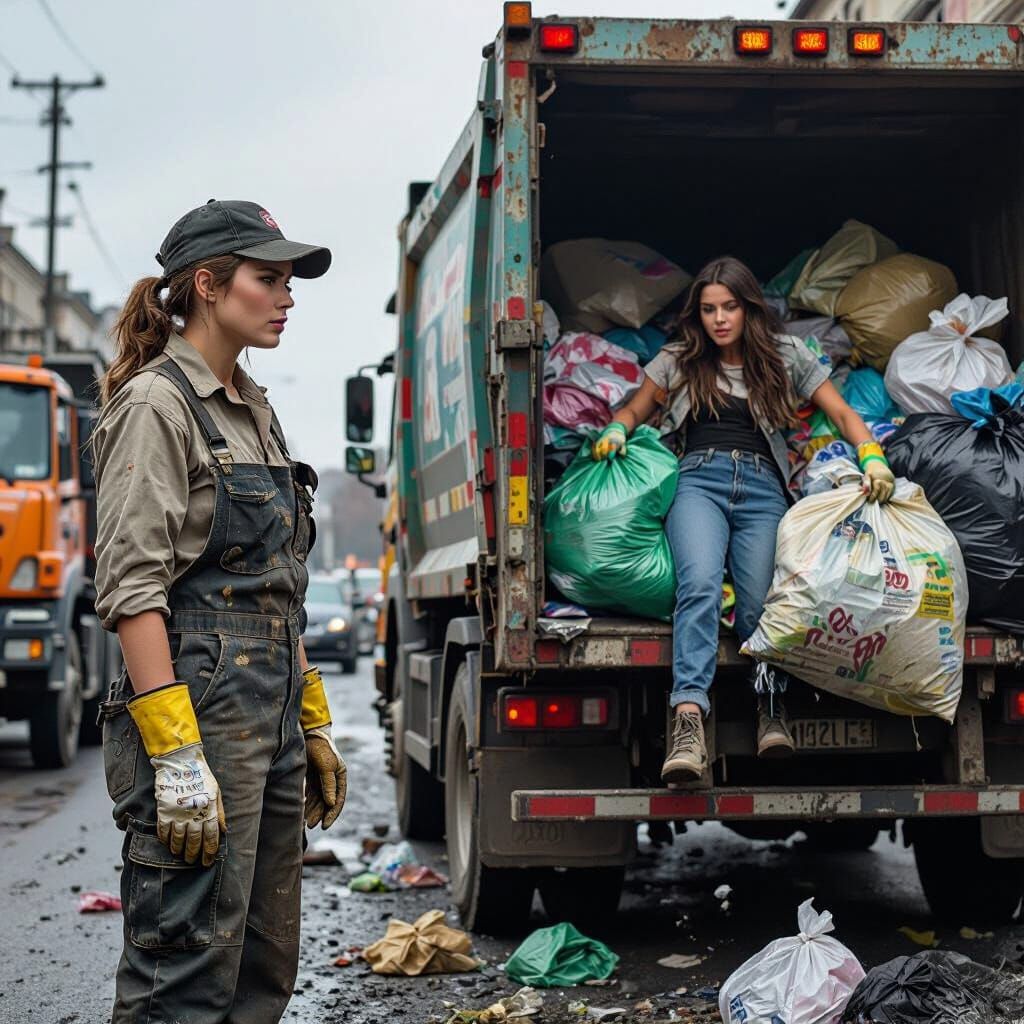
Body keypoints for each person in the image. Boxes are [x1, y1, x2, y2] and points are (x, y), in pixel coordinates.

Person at [93, 200, 346, 1023]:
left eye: (288, 281)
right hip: (198, 708)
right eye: (266, 278)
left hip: (266, 708)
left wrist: (309, 718)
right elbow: (134, 589)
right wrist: (174, 754)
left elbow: (279, 583)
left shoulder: (252, 406)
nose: (286, 297)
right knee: (187, 970)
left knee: (263, 967)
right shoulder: (156, 407)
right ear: (206, 284)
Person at [592, 255, 895, 786]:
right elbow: (635, 409)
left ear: (748, 307)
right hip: (697, 483)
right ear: (699, 315)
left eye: (729, 306)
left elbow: (842, 413)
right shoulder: (680, 359)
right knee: (700, 585)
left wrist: (871, 453)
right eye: (708, 309)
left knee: (761, 601)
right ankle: (688, 721)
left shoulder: (785, 355)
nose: (719, 318)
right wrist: (617, 429)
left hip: (762, 488)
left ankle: (771, 710)